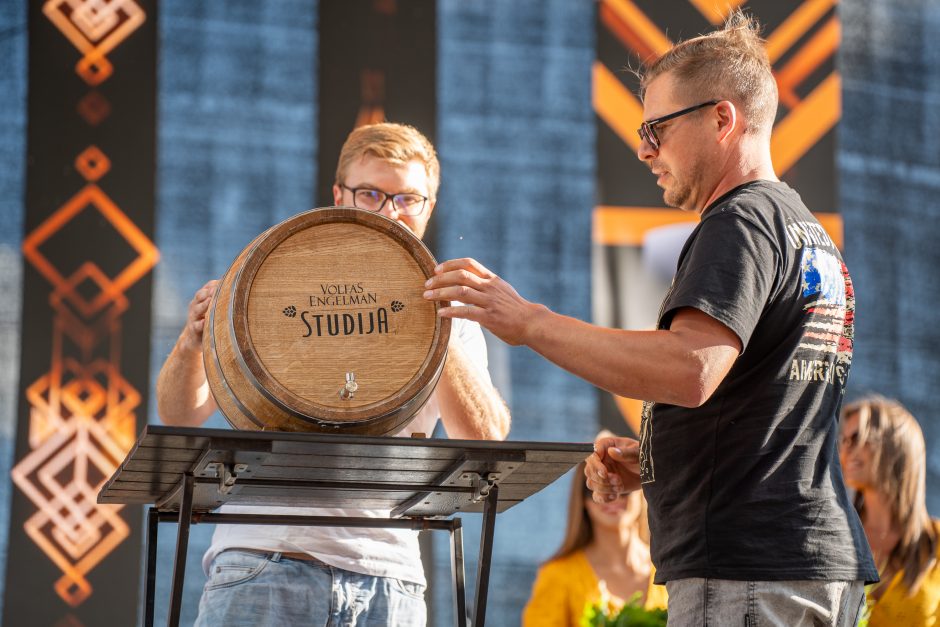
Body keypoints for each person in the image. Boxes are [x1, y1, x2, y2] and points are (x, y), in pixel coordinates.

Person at [423, 11, 876, 625]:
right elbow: (762, 408)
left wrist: (528, 321)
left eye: (656, 128)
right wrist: (663, 460)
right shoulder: (800, 227)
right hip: (797, 559)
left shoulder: (739, 223)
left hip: (747, 571)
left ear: (723, 119)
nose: (643, 149)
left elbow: (691, 369)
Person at [155, 122, 511, 627]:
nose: (389, 211)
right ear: (339, 196)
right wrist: (193, 340)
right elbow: (180, 415)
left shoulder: (451, 317)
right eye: (371, 194)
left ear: (429, 209)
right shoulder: (276, 284)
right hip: (264, 561)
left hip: (390, 578)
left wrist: (439, 328)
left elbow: (485, 439)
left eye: (408, 199)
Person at [522, 453, 666, 626]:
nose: (612, 496)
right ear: (582, 499)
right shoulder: (557, 575)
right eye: (598, 487)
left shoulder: (671, 569)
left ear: (640, 491)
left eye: (622, 486)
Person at [840, 396, 940, 625]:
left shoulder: (937, 543)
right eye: (844, 440)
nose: (845, 450)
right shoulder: (836, 534)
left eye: (857, 438)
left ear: (894, 446)